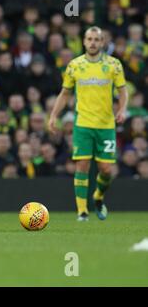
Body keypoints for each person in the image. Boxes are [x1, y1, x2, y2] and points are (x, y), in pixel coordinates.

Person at [48, 26, 128, 222]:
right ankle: (82, 211)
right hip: (82, 123)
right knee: (82, 165)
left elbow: (123, 91)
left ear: (102, 43)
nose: (92, 42)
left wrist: (122, 109)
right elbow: (65, 93)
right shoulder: (75, 66)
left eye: (96, 39)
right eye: (89, 39)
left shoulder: (114, 65)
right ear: (84, 41)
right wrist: (53, 116)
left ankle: (98, 196)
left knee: (106, 170)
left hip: (106, 125)